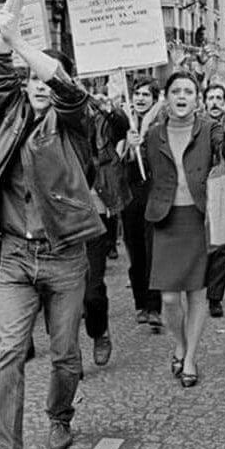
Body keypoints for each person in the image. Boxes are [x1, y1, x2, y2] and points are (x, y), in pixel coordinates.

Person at [0, 0, 102, 449]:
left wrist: (31, 49)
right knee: (7, 352)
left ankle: (60, 413)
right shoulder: (9, 114)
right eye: (34, 78)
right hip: (16, 257)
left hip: (66, 256)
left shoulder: (75, 123)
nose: (40, 83)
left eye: (46, 74)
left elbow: (69, 89)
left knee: (66, 354)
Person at [134, 72, 225, 388]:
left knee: (196, 294)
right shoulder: (152, 134)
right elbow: (139, 175)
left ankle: (190, 356)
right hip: (165, 220)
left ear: (198, 98)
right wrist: (130, 147)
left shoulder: (210, 129)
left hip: (199, 218)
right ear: (166, 97)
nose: (182, 96)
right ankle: (178, 343)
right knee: (168, 298)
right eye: (176, 91)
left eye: (189, 91)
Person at [84, 91, 131, 365]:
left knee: (91, 290)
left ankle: (99, 331)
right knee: (63, 296)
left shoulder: (99, 118)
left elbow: (121, 127)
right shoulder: (48, 124)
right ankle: (68, 357)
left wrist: (111, 110)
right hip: (58, 217)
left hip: (95, 213)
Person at [119, 76, 163, 327]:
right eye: (137, 93)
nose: (140, 98)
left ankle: (154, 306)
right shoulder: (124, 121)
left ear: (154, 99)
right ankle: (140, 304)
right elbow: (116, 157)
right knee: (135, 253)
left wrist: (145, 138)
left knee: (152, 250)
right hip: (129, 194)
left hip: (154, 192)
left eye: (146, 94)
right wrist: (128, 145)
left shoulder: (160, 122)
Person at [201, 83, 225, 318]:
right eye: (210, 97)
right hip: (199, 191)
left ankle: (215, 297)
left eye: (219, 97)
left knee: (222, 245)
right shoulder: (197, 125)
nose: (214, 102)